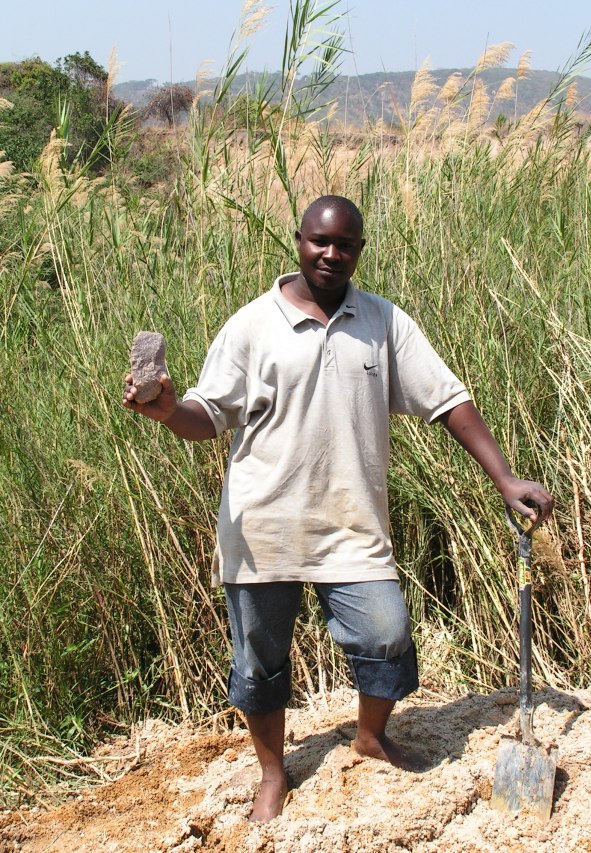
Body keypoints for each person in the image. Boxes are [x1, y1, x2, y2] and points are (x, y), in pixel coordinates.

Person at [123, 195, 554, 823]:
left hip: (353, 525)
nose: (331, 254)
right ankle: (273, 773)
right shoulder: (252, 326)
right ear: (298, 241)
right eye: (319, 241)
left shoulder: (383, 321)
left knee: (385, 634)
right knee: (260, 658)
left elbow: (447, 400)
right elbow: (206, 416)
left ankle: (371, 738)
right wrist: (166, 409)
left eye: (345, 244)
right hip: (264, 528)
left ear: (359, 250)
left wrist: (505, 478)